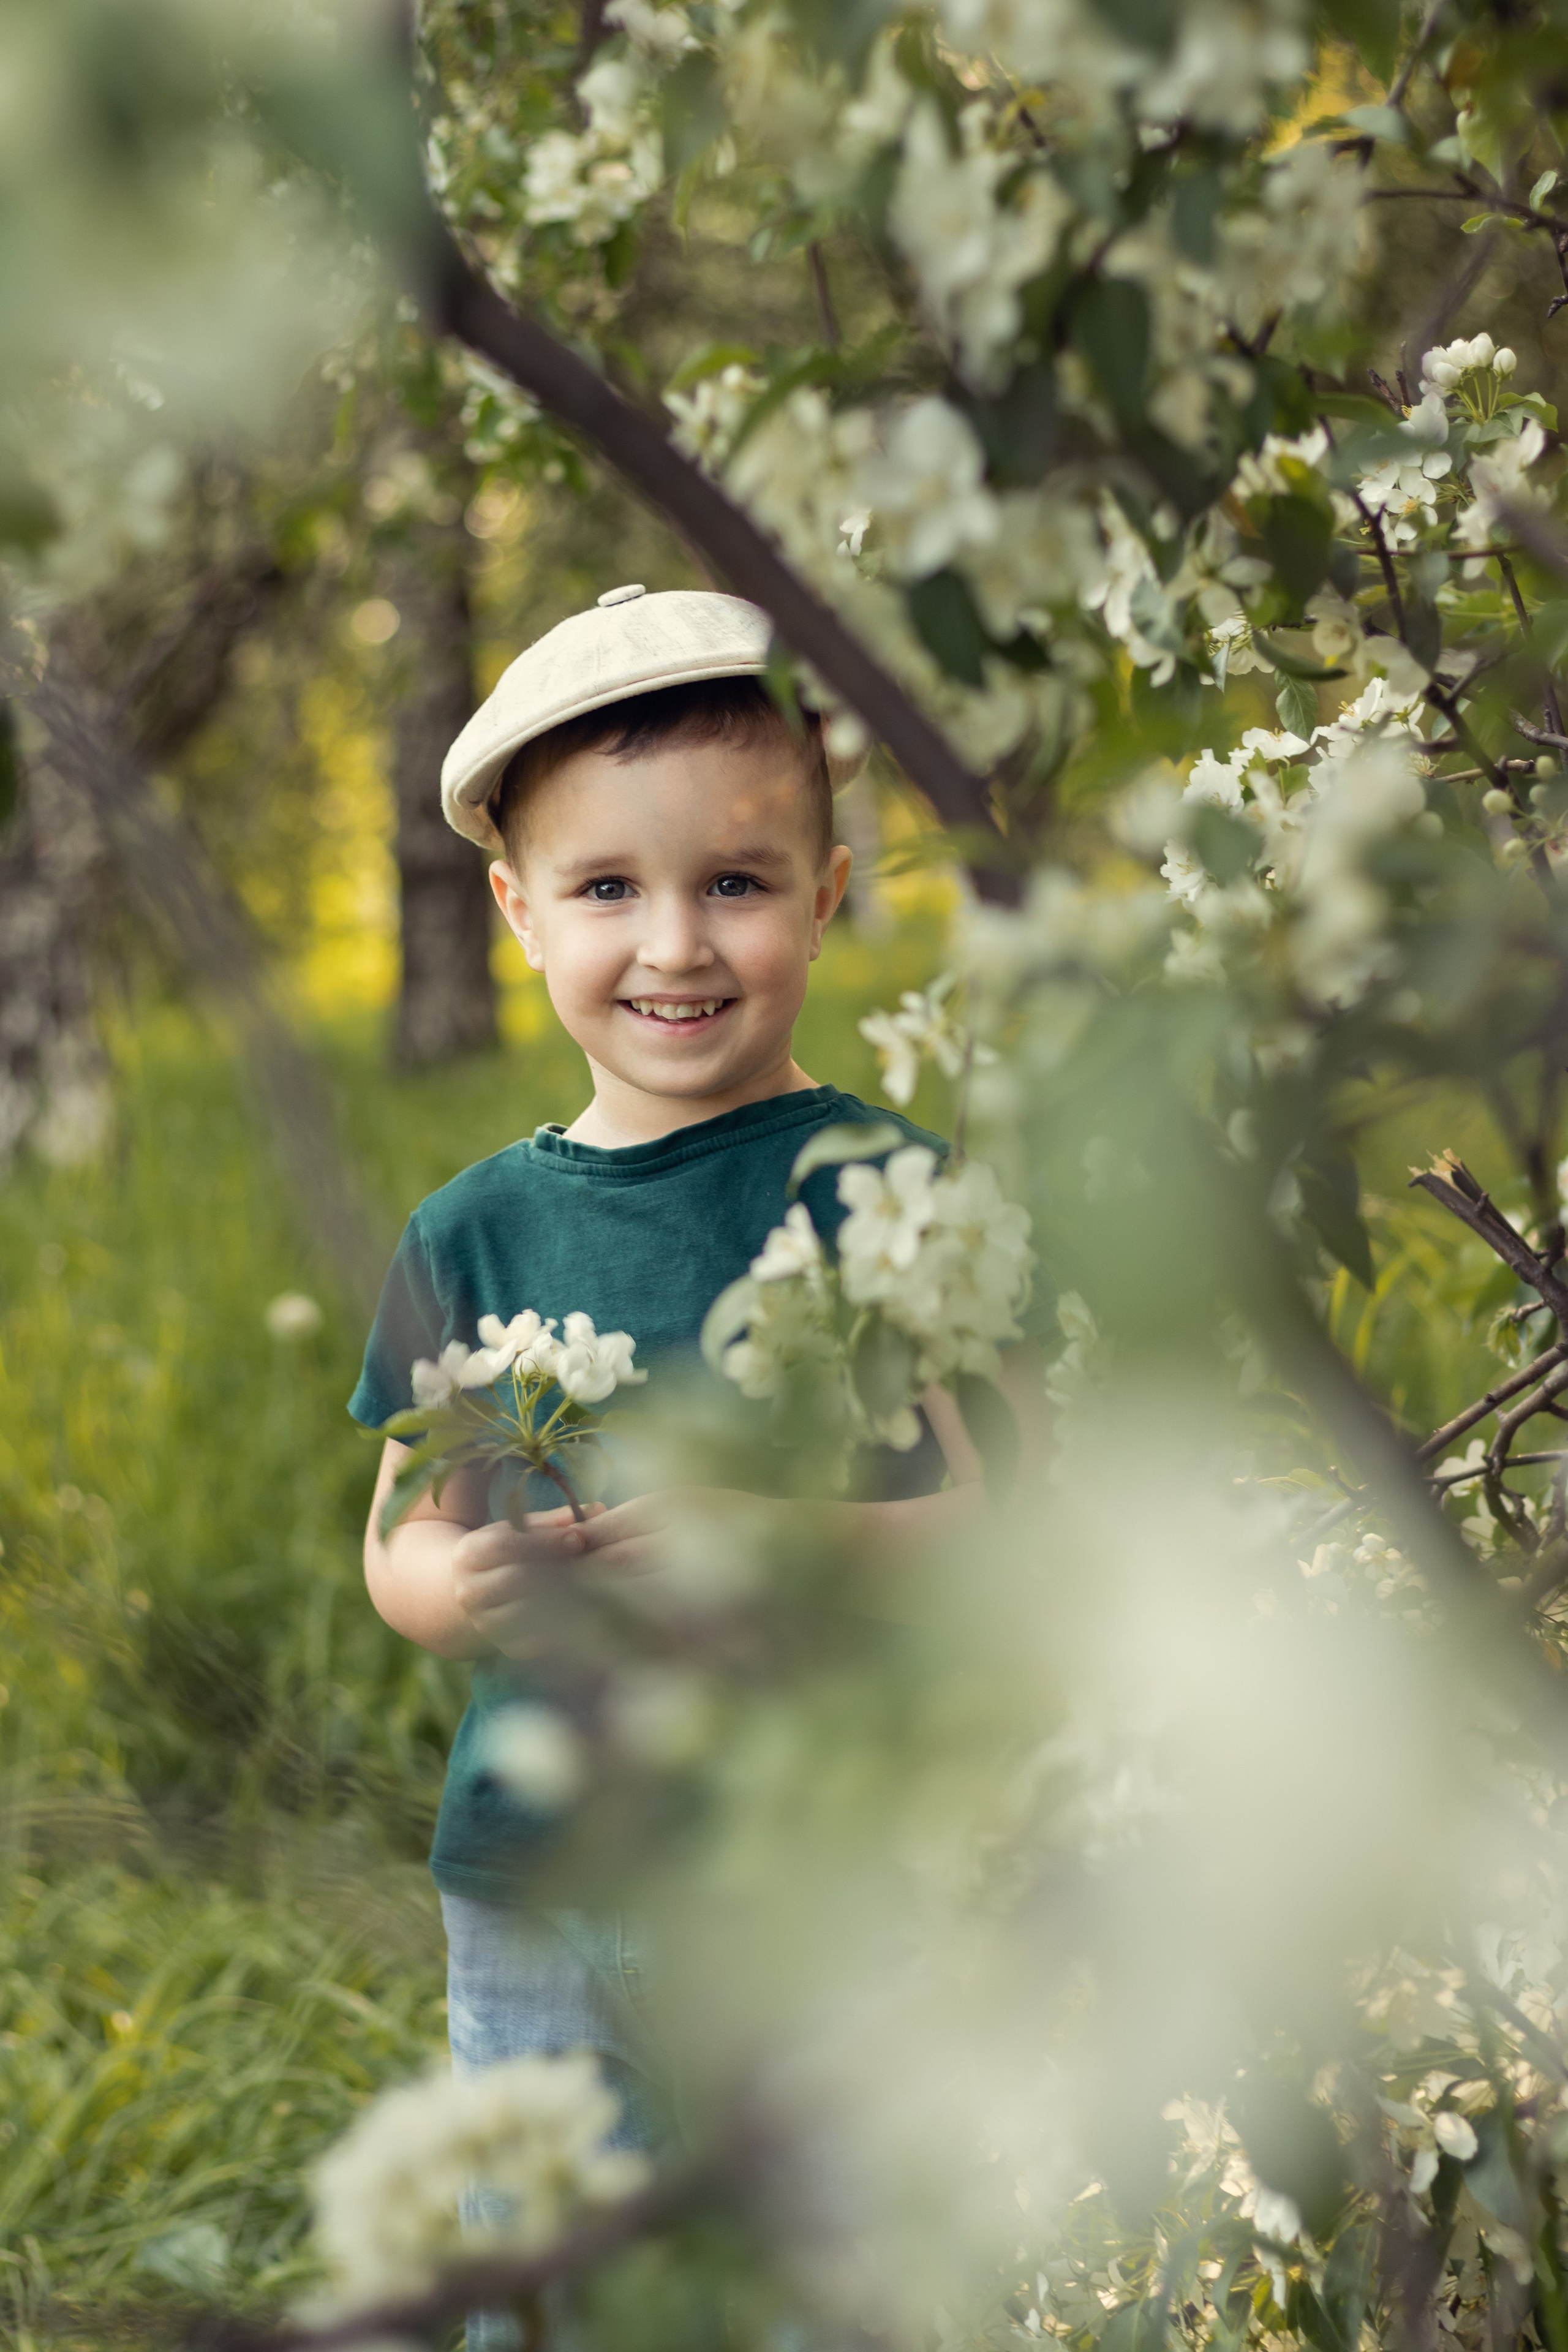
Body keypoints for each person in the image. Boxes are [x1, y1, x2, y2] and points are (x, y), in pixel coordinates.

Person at [349, 584, 987, 2237]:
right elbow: (401, 1541)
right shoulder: (470, 1233)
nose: (678, 943)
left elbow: (996, 1532)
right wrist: (451, 1587)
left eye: (738, 883)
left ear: (827, 896)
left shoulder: (884, 1189)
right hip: (535, 1877)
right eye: (610, 888)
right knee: (539, 2257)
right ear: (518, 911)